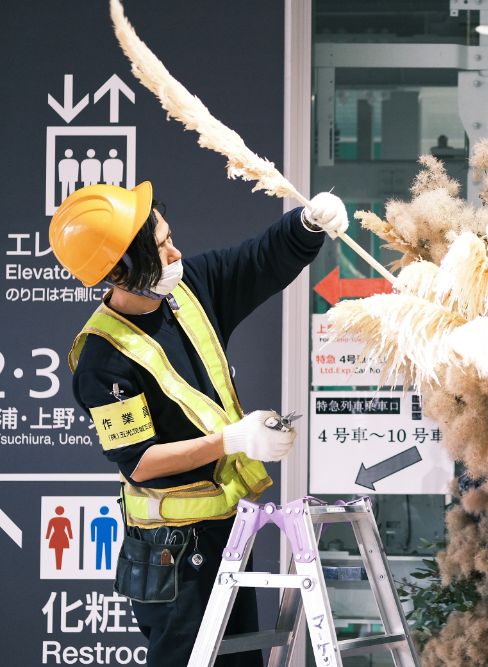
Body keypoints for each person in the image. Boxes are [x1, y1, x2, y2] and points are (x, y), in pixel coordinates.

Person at [50, 181, 348, 666]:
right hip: (171, 554)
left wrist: (306, 224)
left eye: (168, 236)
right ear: (121, 269)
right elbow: (140, 464)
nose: (174, 250)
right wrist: (232, 439)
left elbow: (258, 261)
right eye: (161, 246)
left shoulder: (188, 292)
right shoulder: (103, 359)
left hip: (225, 533)